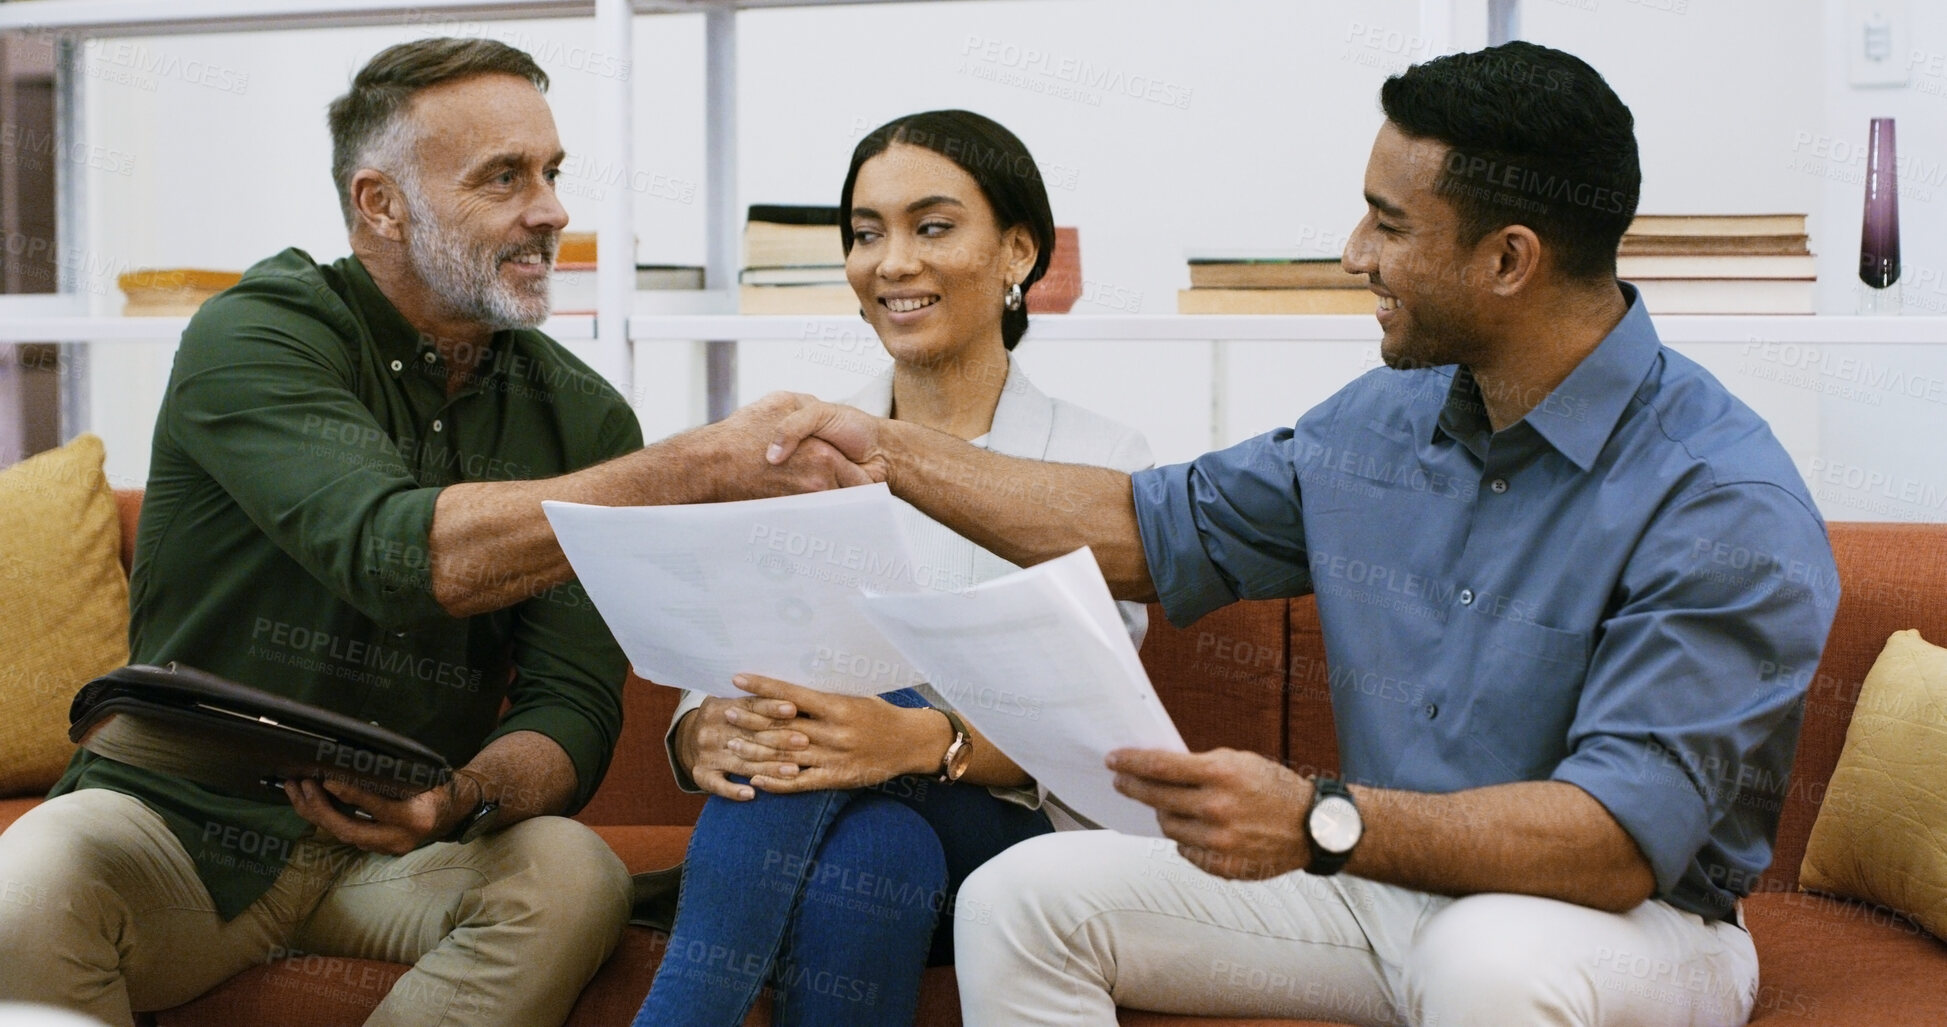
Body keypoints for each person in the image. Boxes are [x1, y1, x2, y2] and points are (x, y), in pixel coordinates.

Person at [764, 43, 1841, 1027]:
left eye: (1389, 224)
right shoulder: (1383, 422)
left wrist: (1320, 819)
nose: (1354, 253)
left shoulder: (1721, 498)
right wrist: (883, 449)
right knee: (1022, 899)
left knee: (1488, 959)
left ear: (1508, 259)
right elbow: (1143, 528)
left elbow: (1613, 843)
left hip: (1626, 929)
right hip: (1382, 887)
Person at [0, 38, 861, 1027]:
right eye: (504, 177)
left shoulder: (581, 419)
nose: (551, 209)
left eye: (552, 172)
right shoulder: (256, 335)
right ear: (381, 204)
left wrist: (464, 797)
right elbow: (395, 553)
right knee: (30, 879)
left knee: (572, 871)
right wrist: (695, 467)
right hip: (178, 833)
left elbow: (571, 706)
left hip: (404, 856)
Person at [632, 110, 1154, 1027]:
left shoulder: (1098, 464)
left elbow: (1085, 733)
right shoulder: (797, 450)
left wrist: (909, 738)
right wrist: (699, 731)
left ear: (1018, 251)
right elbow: (725, 661)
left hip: (1019, 838)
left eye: (932, 226)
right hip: (855, 831)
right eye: (867, 234)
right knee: (878, 851)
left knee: (842, 723)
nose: (892, 262)